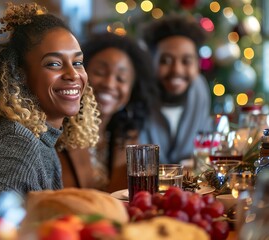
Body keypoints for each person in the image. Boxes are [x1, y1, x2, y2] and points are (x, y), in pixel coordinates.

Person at [0, 2, 99, 196]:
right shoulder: (15, 144)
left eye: (77, 62)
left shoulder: (39, 138)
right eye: (54, 64)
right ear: (20, 75)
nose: (73, 74)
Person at [58, 32, 158, 193]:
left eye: (121, 79)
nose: (110, 83)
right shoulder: (57, 133)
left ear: (132, 90)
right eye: (100, 73)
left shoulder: (126, 137)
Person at [139, 14, 213, 165]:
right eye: (165, 61)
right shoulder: (138, 97)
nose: (177, 70)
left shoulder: (200, 90)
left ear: (198, 65)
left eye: (186, 61)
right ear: (152, 62)